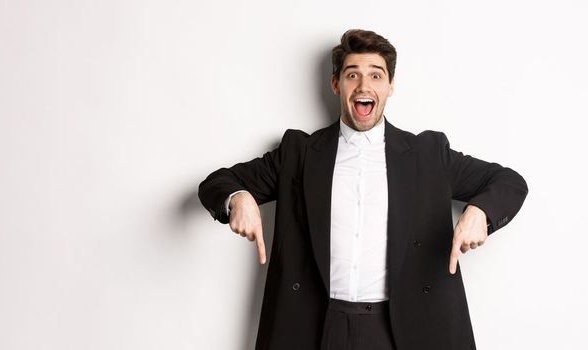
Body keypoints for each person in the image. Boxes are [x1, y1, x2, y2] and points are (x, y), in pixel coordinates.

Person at [198, 29, 528, 350]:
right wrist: (238, 198)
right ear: (336, 84)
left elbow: (509, 182)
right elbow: (217, 182)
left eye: (376, 75)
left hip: (404, 329)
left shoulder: (428, 155)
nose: (363, 85)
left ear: (390, 86)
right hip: (317, 327)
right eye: (352, 75)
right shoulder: (298, 153)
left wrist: (481, 212)